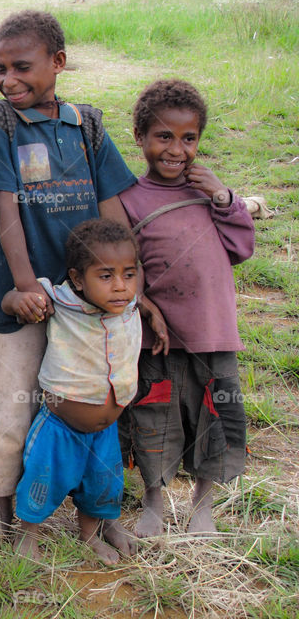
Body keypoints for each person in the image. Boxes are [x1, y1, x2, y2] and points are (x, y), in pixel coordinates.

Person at [0, 11, 155, 554]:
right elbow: (5, 206)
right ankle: (0, 513)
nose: (7, 79)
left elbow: (112, 204)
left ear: (58, 63)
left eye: (21, 66)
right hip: (26, 302)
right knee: (13, 410)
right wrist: (26, 287)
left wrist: (128, 285)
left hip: (92, 306)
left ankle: (97, 516)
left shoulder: (87, 123)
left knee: (100, 408)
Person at [119, 80, 253, 538]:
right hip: (158, 340)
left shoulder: (207, 193)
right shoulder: (130, 198)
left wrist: (224, 197)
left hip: (213, 334)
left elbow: (242, 247)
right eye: (163, 137)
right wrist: (143, 304)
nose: (177, 149)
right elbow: (126, 266)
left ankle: (203, 506)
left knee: (214, 416)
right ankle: (153, 504)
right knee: (153, 418)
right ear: (139, 138)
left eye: (189, 138)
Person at [12, 219, 141, 565]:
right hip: (59, 428)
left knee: (103, 485)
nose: (120, 287)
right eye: (105, 276)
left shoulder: (131, 306)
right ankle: (28, 534)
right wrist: (18, 302)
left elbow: (139, 298)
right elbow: (15, 296)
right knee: (43, 479)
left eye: (129, 275)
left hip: (106, 431)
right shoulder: (59, 300)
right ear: (78, 279)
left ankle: (89, 535)